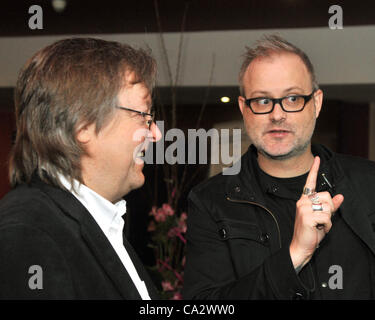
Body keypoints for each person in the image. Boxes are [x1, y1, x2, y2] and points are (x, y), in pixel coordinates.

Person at [183, 35, 375, 300]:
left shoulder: (368, 184)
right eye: (262, 101)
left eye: (293, 98)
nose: (277, 114)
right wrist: (293, 256)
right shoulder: (210, 202)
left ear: (316, 103)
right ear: (244, 108)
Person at [0, 38, 162, 299]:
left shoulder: (97, 221)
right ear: (83, 125)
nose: (155, 133)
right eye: (142, 115)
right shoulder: (29, 232)